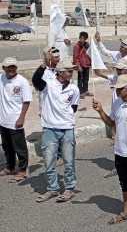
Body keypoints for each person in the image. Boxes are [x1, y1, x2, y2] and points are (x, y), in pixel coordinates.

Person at [92, 74, 127, 230]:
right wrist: (100, 111)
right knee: (124, 183)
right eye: (116, 89)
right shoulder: (116, 103)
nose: (117, 91)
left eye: (120, 89)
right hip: (120, 152)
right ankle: (126, 210)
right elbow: (112, 123)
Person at [32, 59, 80, 203]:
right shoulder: (48, 85)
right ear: (60, 72)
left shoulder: (74, 89)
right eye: (68, 71)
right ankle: (53, 188)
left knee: (69, 161)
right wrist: (42, 65)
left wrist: (63, 117)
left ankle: (69, 188)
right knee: (49, 161)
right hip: (49, 129)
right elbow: (35, 80)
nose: (71, 73)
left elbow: (74, 107)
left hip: (67, 129)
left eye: (72, 71)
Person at [0, 57, 32, 183]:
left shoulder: (22, 82)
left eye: (14, 67)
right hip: (3, 120)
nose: (11, 69)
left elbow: (27, 101)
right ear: (4, 68)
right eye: (9, 67)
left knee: (19, 147)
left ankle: (23, 170)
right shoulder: (1, 78)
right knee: (7, 146)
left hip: (15, 120)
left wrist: (21, 117)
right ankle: (10, 167)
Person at [72, 31, 91, 97]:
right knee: (80, 79)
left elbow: (89, 54)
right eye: (81, 38)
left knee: (86, 79)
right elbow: (75, 57)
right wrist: (78, 65)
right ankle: (80, 92)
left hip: (87, 64)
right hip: (80, 65)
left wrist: (90, 62)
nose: (82, 40)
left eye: (84, 38)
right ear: (79, 38)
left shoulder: (87, 45)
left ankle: (86, 90)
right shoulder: (76, 46)